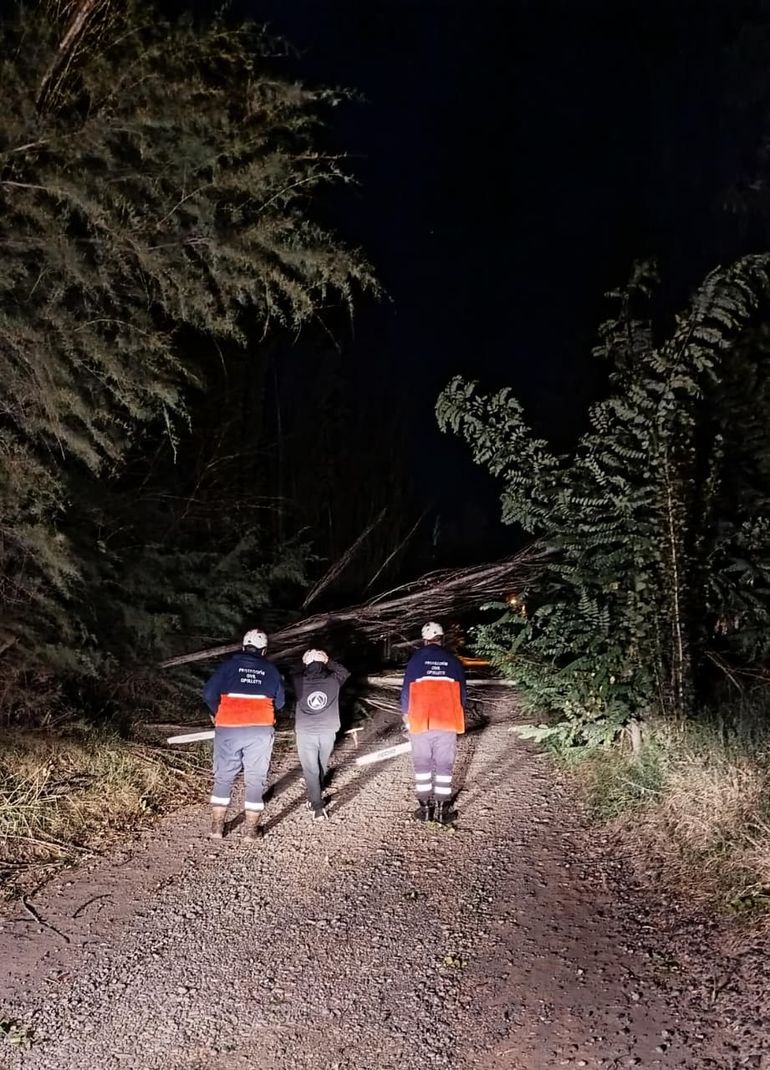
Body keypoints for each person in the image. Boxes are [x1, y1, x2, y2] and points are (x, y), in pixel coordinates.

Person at [203, 628, 285, 842]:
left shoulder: (228, 666)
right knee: (256, 777)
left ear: (243, 647)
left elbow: (209, 693)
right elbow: (281, 702)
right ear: (264, 650)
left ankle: (217, 827)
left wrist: (216, 713)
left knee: (224, 775)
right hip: (260, 727)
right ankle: (251, 830)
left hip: (228, 725)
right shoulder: (272, 670)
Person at [400, 621, 467, 824]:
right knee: (445, 764)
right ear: (442, 638)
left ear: (424, 639)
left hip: (420, 719)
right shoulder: (453, 661)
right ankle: (443, 809)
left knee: (422, 762)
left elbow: (406, 691)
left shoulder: (415, 661)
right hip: (447, 719)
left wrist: (406, 715)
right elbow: (463, 693)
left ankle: (424, 808)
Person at [292, 649, 350, 821]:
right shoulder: (334, 680)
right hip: (328, 729)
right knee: (321, 764)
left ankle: (317, 807)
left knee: (311, 769)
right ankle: (318, 789)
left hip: (306, 731)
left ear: (306, 663)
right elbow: (344, 672)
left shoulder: (299, 680)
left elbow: (292, 670)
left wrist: (306, 662)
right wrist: (327, 660)